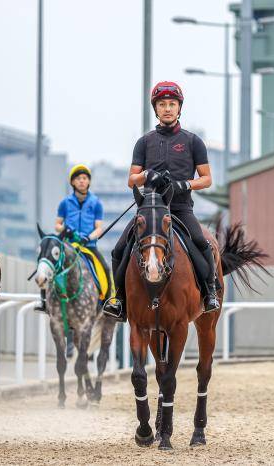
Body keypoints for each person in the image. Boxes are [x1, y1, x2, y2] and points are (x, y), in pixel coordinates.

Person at [102, 81, 218, 322]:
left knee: (201, 242)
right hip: (151, 209)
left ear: (179, 108)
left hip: (180, 208)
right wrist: (146, 175)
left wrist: (185, 184)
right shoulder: (144, 142)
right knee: (118, 249)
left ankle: (209, 293)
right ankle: (119, 299)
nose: (167, 108)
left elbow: (206, 179)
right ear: (156, 109)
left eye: (172, 104)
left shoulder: (193, 141)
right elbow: (131, 180)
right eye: (162, 104)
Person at [34, 164, 112, 313]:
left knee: (105, 268)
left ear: (88, 182)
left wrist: (88, 238)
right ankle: (44, 301)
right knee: (47, 263)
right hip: (68, 245)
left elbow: (99, 228)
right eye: (78, 178)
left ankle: (106, 302)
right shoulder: (65, 203)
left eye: (85, 178)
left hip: (89, 246)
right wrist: (65, 230)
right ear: (72, 182)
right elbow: (57, 224)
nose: (82, 181)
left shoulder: (96, 203)